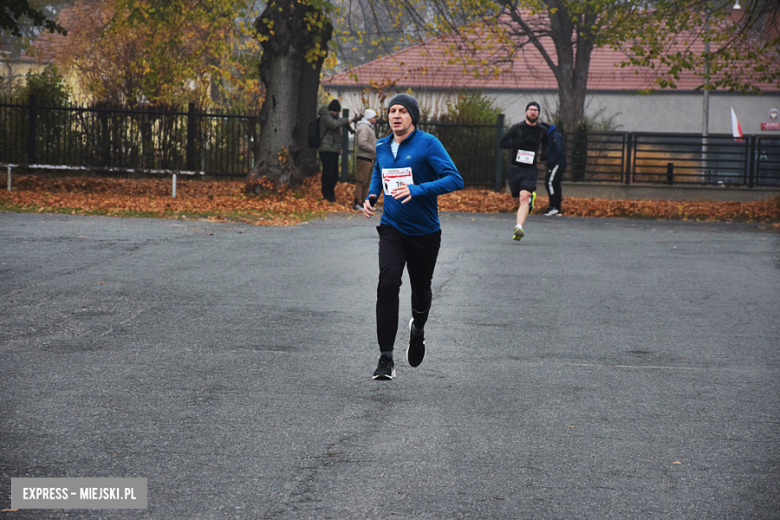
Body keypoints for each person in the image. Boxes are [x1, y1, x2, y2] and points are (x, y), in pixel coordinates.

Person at [363, 93, 464, 380]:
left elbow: (455, 178)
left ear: (413, 117)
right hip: (392, 227)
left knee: (420, 294)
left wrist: (418, 189)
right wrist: (372, 196)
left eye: (403, 111)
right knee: (388, 282)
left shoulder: (428, 144)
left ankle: (417, 330)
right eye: (392, 111)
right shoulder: (382, 145)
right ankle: (385, 357)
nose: (396, 115)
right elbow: (380, 172)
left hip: (425, 233)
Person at [499, 101, 548, 241]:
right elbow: (502, 143)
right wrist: (514, 145)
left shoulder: (541, 131)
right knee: (517, 201)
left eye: (535, 110)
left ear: (538, 113)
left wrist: (544, 155)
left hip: (530, 170)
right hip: (515, 169)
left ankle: (519, 227)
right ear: (526, 112)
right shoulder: (517, 128)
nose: (533, 112)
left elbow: (546, 145)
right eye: (530, 109)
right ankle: (529, 201)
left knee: (523, 197)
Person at [317, 99, 351, 202]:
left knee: (334, 174)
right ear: (332, 110)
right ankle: (327, 195)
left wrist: (338, 148)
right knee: (328, 173)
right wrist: (346, 120)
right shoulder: (326, 117)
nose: (337, 114)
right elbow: (334, 124)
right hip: (326, 148)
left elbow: (336, 135)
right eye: (336, 112)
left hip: (333, 149)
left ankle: (330, 193)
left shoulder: (333, 118)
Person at [353, 108, 378, 211]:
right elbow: (362, 142)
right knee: (361, 180)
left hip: (369, 157)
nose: (375, 119)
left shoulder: (368, 127)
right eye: (374, 117)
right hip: (364, 157)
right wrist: (374, 149)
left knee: (367, 181)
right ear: (370, 117)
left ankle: (364, 202)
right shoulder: (364, 128)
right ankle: (357, 202)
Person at [543, 124, 566, 216]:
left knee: (550, 183)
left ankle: (554, 206)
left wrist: (551, 160)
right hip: (557, 163)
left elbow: (558, 149)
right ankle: (556, 208)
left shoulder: (555, 135)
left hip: (557, 163)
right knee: (555, 184)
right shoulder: (553, 135)